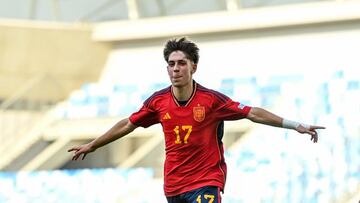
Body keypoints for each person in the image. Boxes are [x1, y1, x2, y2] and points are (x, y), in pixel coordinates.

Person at [68, 37, 325, 203]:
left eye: (182, 63)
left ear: (194, 67)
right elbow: (127, 124)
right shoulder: (158, 102)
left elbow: (253, 113)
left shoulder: (212, 101)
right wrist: (93, 145)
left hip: (205, 181)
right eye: (171, 64)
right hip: (173, 186)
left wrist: (295, 125)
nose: (176, 68)